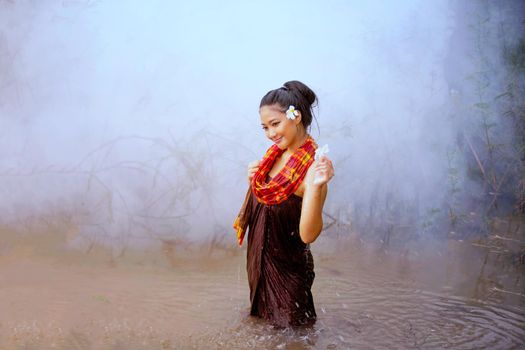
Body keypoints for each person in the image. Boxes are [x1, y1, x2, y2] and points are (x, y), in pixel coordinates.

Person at [233, 80, 335, 327]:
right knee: (262, 327)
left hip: (288, 273)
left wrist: (315, 187)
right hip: (260, 265)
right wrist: (254, 182)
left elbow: (308, 234)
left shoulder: (313, 169)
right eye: (265, 127)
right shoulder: (272, 158)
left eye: (275, 124)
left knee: (295, 334)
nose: (270, 133)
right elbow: (266, 208)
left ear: (296, 116)